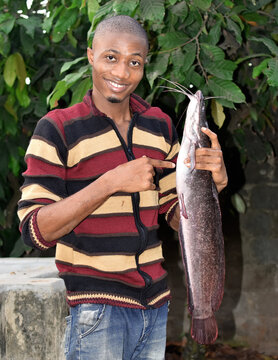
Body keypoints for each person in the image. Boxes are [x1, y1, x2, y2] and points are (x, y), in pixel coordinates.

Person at [18, 15, 228, 360]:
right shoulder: (57, 128)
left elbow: (179, 217)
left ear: (145, 65)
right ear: (90, 56)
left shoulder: (159, 126)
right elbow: (34, 230)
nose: (121, 73)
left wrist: (211, 185)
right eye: (110, 57)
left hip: (156, 307)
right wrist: (110, 182)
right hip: (96, 310)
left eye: (135, 62)